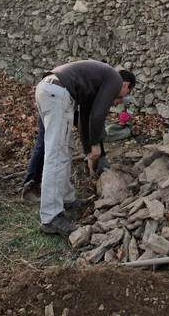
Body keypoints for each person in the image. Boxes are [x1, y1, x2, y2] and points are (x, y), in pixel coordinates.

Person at [33, 60, 135, 235]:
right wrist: (95, 145)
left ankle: (67, 198)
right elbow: (97, 116)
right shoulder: (115, 79)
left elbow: (85, 117)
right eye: (128, 92)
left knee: (63, 152)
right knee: (56, 155)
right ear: (125, 85)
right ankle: (50, 217)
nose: (121, 98)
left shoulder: (96, 82)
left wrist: (88, 150)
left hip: (51, 90)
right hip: (57, 94)